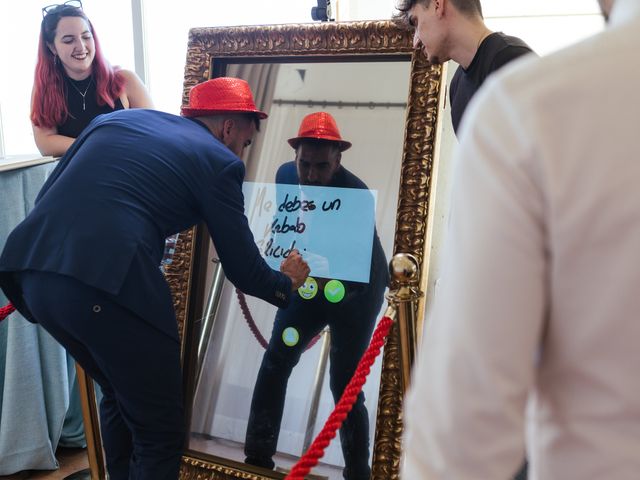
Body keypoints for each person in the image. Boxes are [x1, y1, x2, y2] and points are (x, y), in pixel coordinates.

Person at [0, 77, 310, 480]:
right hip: (106, 284)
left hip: (33, 273)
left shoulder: (117, 122)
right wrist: (285, 283)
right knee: (159, 433)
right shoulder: (220, 163)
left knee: (118, 394)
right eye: (247, 142)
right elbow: (242, 267)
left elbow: (52, 198)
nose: (244, 153)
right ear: (229, 127)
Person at [402, 0, 640, 478]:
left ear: (439, 6)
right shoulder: (461, 86)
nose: (414, 39)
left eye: (415, 22)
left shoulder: (517, 79)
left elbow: (465, 424)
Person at [244, 112, 389, 480]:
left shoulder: (356, 194)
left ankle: (359, 473)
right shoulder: (284, 176)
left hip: (357, 289)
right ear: (295, 157)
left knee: (345, 385)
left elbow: (352, 266)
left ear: (338, 160)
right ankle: (256, 460)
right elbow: (283, 227)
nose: (310, 175)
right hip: (309, 278)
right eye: (304, 164)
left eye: (321, 167)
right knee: (276, 360)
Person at [32, 0, 152, 157]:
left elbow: (153, 132)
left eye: (86, 37)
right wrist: (97, 145)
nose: (81, 47)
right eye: (69, 40)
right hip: (82, 178)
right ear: (52, 47)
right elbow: (45, 144)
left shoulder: (126, 80)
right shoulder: (45, 88)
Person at [396, 0, 534, 134]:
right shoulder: (456, 87)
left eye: (415, 21)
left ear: (438, 5)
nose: (416, 42)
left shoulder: (511, 60)